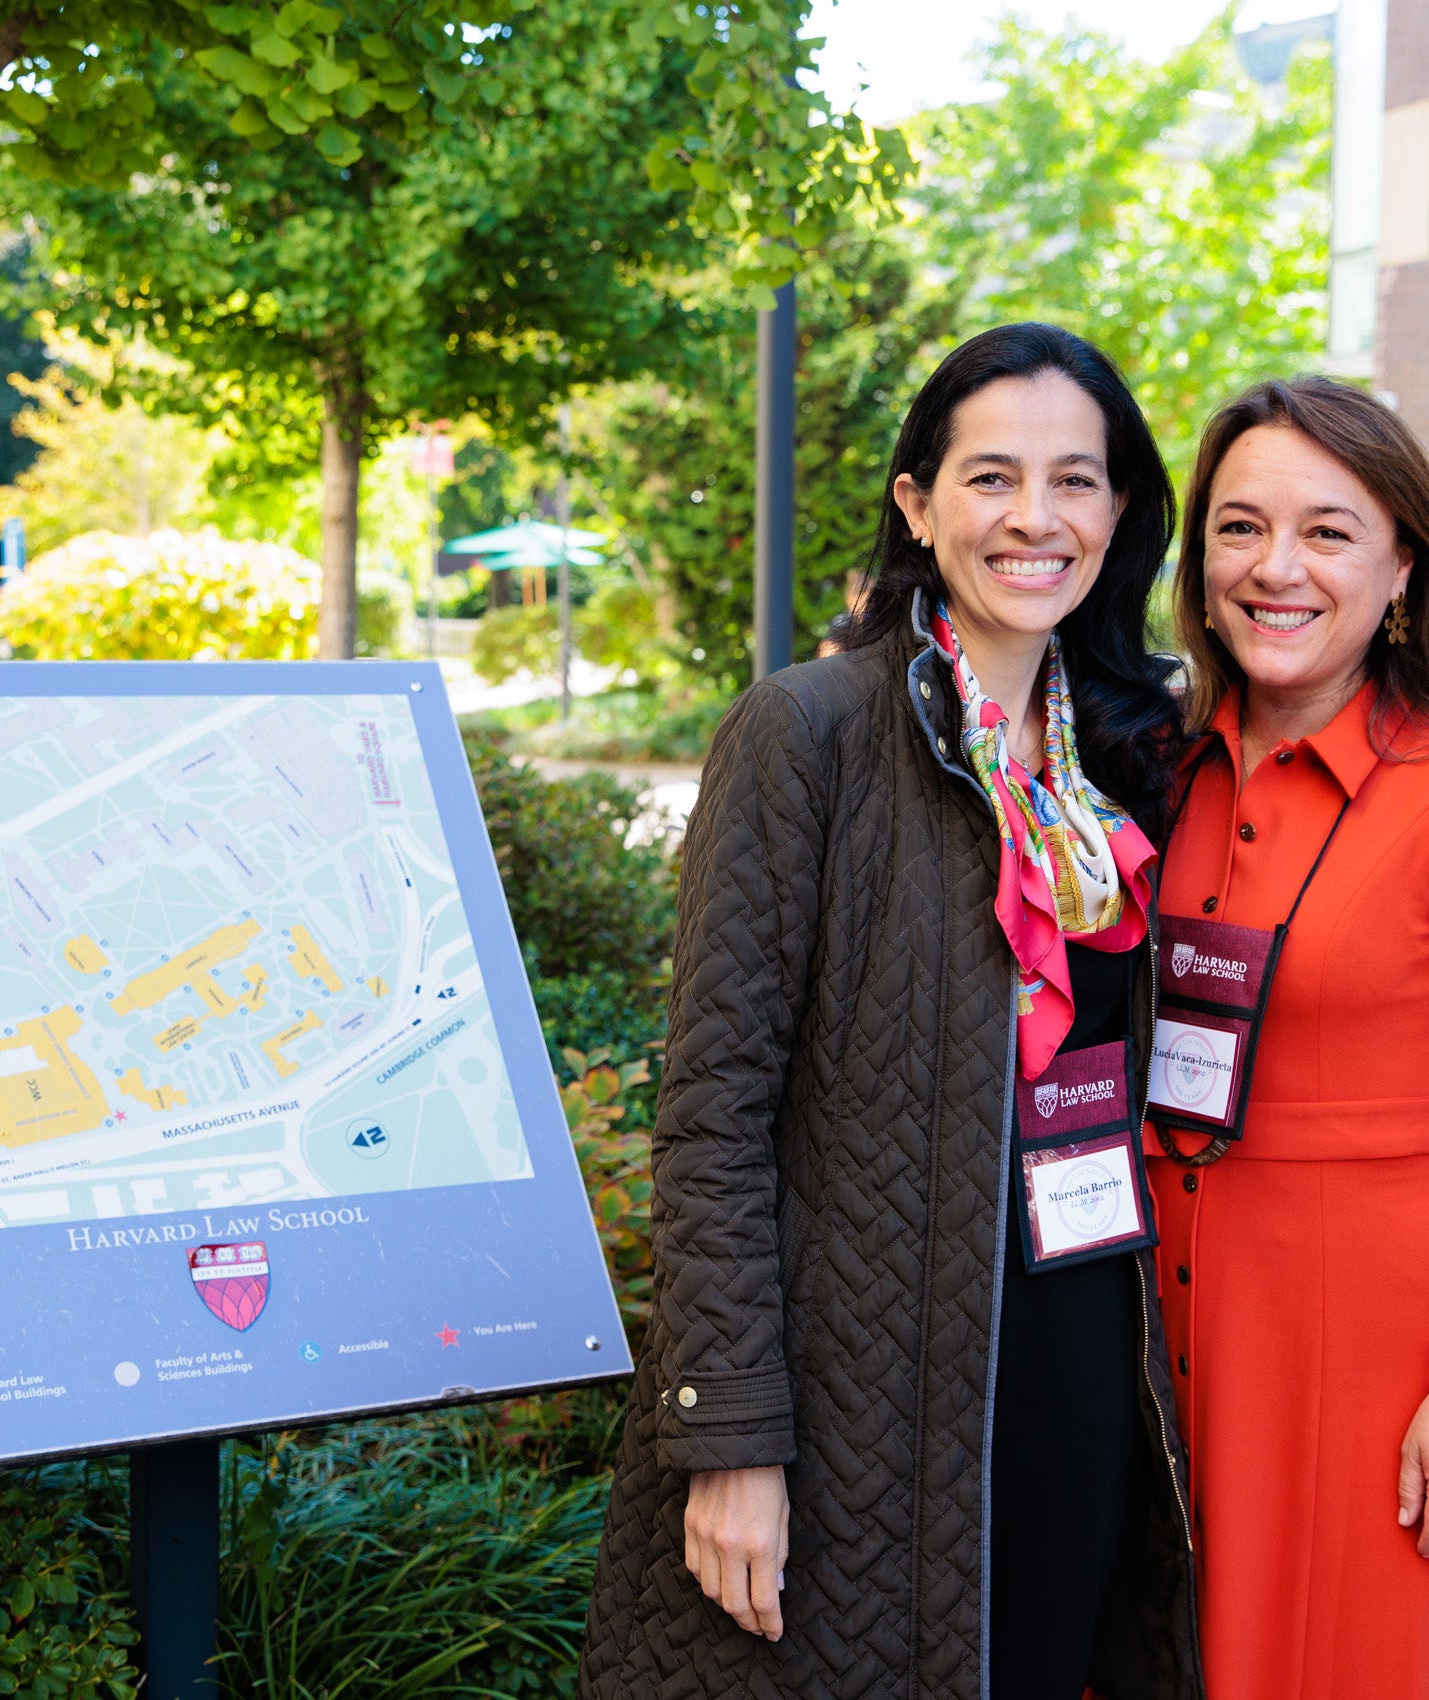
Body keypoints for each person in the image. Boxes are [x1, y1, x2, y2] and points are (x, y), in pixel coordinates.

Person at [582, 323, 1203, 1700]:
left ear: (1119, 512)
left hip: (1076, 1349)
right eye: (990, 479)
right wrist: (730, 1437)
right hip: (859, 1388)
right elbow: (710, 1114)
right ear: (918, 507)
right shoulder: (806, 735)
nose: (1032, 519)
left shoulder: (1126, 757)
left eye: (1074, 481)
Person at [1142, 376, 1429, 1698]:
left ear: (1401, 562)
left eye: (1327, 532)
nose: (1275, 568)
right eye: (1237, 528)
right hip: (1156, 1311)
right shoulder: (1148, 765)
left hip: (1365, 1336)